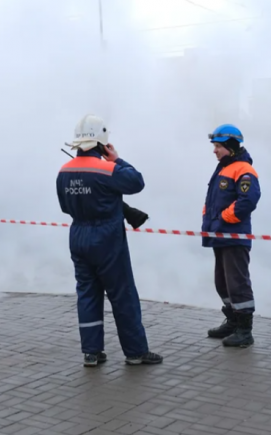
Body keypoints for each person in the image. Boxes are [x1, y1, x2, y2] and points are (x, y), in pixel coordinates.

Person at [56, 114, 163, 367]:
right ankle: (136, 352)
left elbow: (64, 207)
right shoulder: (108, 168)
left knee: (87, 293)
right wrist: (117, 159)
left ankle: (91, 352)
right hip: (107, 239)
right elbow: (137, 182)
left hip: (78, 235)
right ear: (102, 143)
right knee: (122, 293)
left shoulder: (63, 171)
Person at [202, 124, 261, 348]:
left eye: (218, 146)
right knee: (222, 283)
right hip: (220, 235)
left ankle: (245, 330)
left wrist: (224, 217)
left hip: (233, 236)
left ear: (231, 147)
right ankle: (233, 321)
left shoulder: (243, 169)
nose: (214, 150)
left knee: (237, 283)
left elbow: (248, 200)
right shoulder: (224, 168)